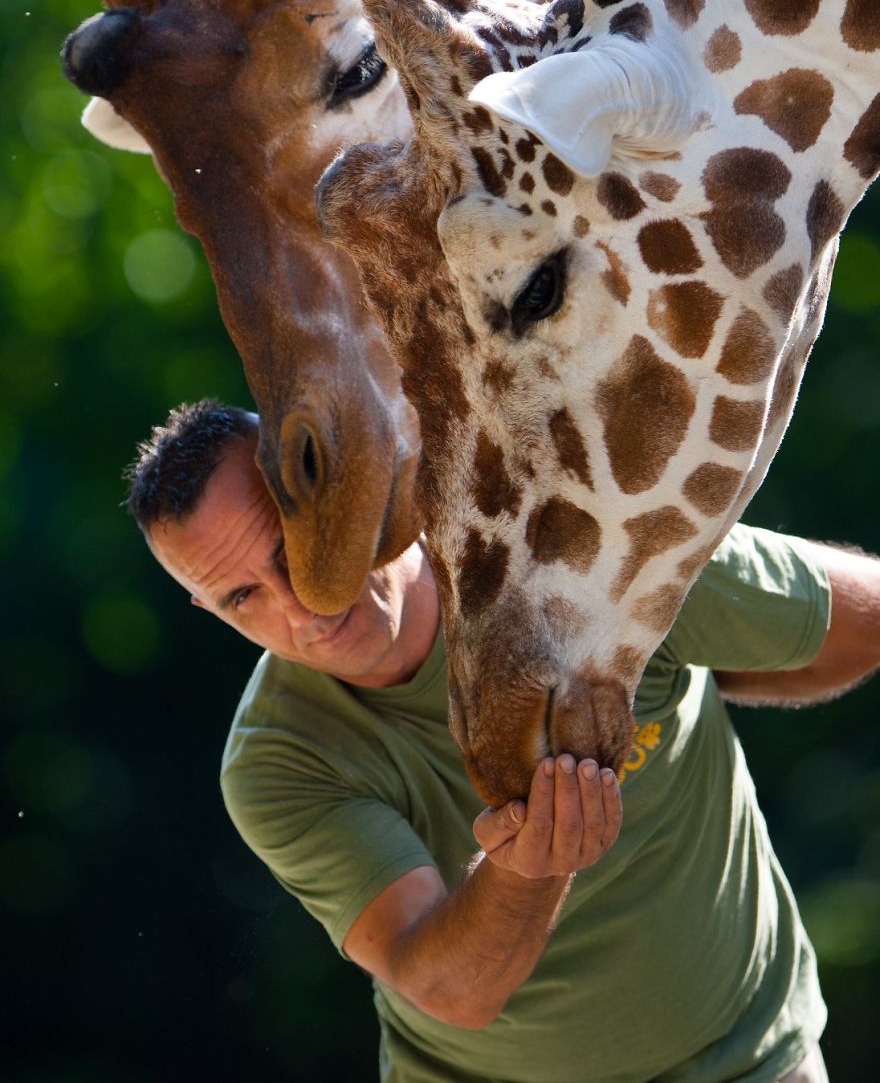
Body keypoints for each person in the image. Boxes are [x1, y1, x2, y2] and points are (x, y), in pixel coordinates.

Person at [128, 400, 880, 1083]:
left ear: (356, 483)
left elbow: (863, 622)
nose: (304, 605)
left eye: (293, 544)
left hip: (756, 1061)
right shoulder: (277, 758)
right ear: (209, 610)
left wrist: (702, 659)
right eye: (243, 596)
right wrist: (527, 871)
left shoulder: (588, 551)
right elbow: (452, 990)